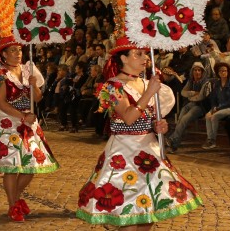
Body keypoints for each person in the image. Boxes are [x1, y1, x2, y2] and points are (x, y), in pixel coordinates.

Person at [76, 36, 202, 228]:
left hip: (149, 150)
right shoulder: (112, 86)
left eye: (145, 54)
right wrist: (149, 93)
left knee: (149, 207)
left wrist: (160, 126)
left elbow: (149, 119)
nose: (145, 58)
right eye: (138, 54)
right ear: (124, 58)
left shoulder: (146, 83)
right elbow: (128, 117)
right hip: (124, 152)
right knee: (128, 206)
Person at [0, 36, 57, 222]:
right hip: (9, 122)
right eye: (13, 51)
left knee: (31, 167)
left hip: (28, 122)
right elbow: (1, 103)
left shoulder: (28, 70)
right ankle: (12, 205)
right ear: (4, 54)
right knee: (11, 167)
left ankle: (16, 198)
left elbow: (37, 99)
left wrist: (34, 86)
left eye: (20, 50)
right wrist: (23, 117)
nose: (18, 54)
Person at [202, 62, 230, 150]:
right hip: (219, 107)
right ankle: (209, 139)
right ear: (218, 73)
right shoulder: (217, 83)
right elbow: (213, 99)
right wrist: (212, 109)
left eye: (225, 71)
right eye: (221, 71)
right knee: (208, 116)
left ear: (228, 72)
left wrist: (217, 109)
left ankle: (213, 141)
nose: (223, 72)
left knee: (214, 116)